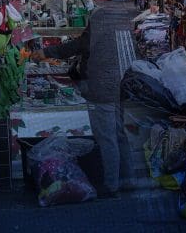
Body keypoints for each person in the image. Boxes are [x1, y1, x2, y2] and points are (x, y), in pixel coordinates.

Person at [31, 19, 133, 197]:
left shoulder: (99, 26)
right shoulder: (119, 25)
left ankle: (111, 185)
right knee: (118, 134)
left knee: (107, 137)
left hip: (101, 89)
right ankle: (128, 179)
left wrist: (45, 52)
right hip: (118, 86)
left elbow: (74, 47)